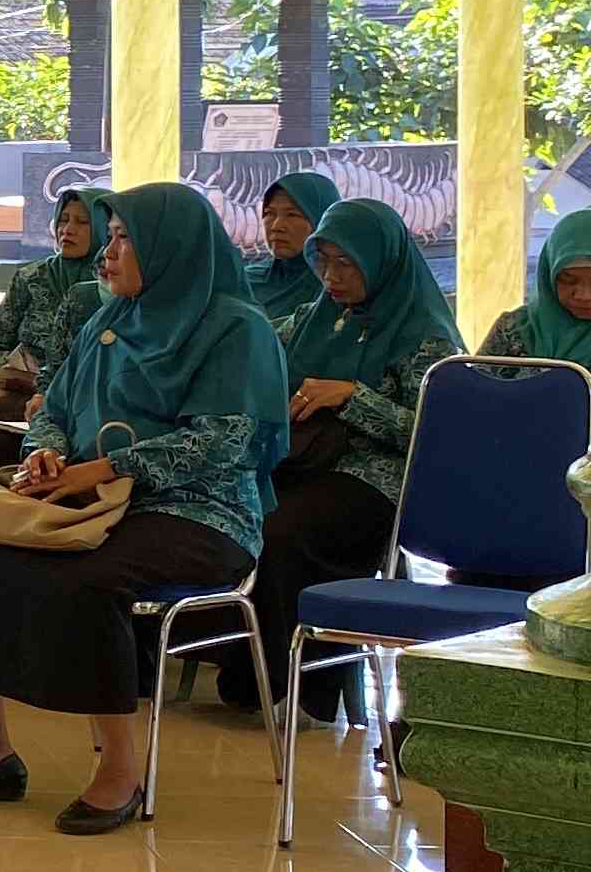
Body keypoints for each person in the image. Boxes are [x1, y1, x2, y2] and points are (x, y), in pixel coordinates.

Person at [0, 184, 288, 836]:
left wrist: (110, 467)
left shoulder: (233, 327)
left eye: (121, 239)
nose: (107, 253)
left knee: (92, 579)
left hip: (202, 514)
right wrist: (47, 458)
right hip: (89, 501)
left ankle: (120, 769)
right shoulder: (108, 322)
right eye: (108, 237)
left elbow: (224, 440)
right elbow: (52, 410)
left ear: (169, 249)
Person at [224, 196, 457, 717]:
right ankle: (249, 674)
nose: (330, 276)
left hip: (377, 484)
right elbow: (250, 366)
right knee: (237, 513)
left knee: (283, 528)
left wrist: (353, 397)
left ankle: (305, 687)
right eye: (322, 261)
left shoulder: (425, 334)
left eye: (345, 262)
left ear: (380, 259)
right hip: (303, 466)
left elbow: (433, 436)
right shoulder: (311, 320)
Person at [0, 186, 101, 484]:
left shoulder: (109, 287)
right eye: (63, 220)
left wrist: (50, 388)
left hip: (73, 403)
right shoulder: (32, 278)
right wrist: (17, 378)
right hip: (13, 395)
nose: (67, 230)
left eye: (83, 223)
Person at [479, 209, 591, 367]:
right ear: (548, 276)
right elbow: (476, 388)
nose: (583, 295)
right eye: (568, 279)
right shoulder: (513, 329)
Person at [245, 171, 342, 319]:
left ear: (322, 220)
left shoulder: (338, 289)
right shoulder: (246, 281)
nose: (277, 226)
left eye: (292, 215)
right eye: (269, 213)